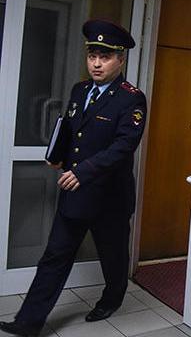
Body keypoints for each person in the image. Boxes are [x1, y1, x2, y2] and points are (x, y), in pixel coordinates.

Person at [0, 20, 147, 336]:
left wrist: (81, 171)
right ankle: (28, 322)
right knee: (55, 256)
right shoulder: (80, 90)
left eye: (105, 57)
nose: (96, 63)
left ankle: (112, 298)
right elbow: (72, 129)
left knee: (113, 255)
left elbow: (124, 146)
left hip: (110, 197)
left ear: (120, 60)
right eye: (92, 55)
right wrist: (58, 155)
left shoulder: (131, 98)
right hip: (75, 193)